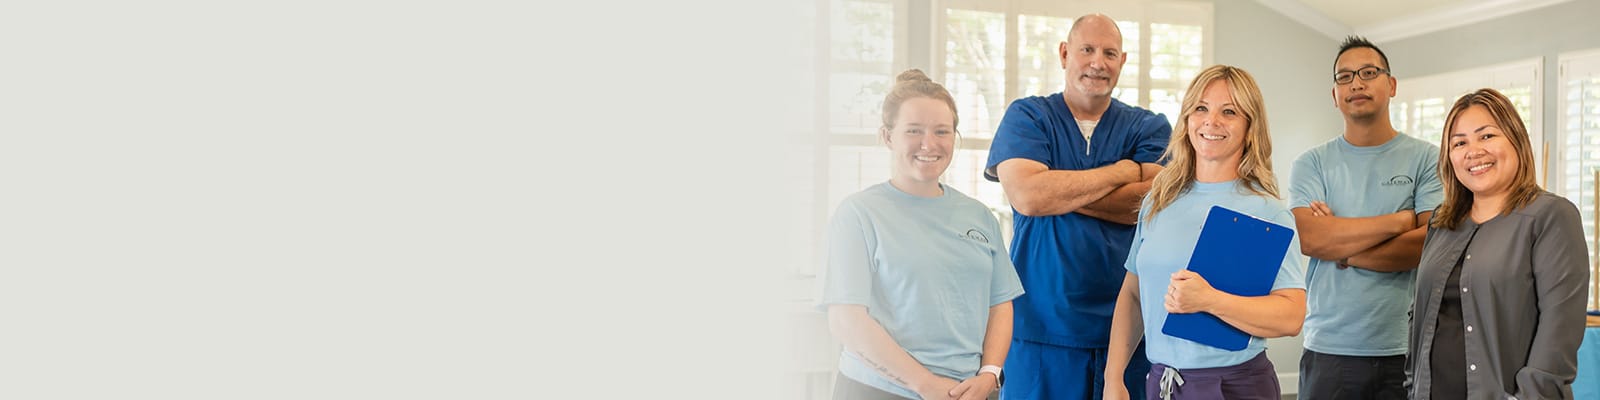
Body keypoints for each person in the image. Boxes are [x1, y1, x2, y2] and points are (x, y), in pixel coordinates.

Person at [983, 13, 1170, 400]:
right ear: (1065, 53)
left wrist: (1057, 189)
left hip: (1127, 330)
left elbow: (1149, 205)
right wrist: (1122, 171)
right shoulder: (1028, 116)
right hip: (1041, 327)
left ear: (1122, 61)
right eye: (1087, 50)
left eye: (1110, 53)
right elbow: (1029, 197)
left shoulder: (1149, 126)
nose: (1098, 63)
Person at [1101, 65, 1306, 400]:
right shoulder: (1159, 200)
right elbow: (1133, 294)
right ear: (1186, 120)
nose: (1212, 121)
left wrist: (1210, 300)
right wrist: (1113, 378)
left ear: (1249, 128)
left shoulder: (1267, 211)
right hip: (1162, 383)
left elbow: (1291, 316)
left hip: (1234, 386)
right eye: (1201, 108)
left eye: (1229, 112)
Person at [821, 69, 1026, 400]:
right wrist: (925, 384)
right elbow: (846, 320)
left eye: (941, 131)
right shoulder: (858, 214)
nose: (929, 144)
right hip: (880, 390)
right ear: (888, 137)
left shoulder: (979, 216)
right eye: (913, 131)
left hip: (968, 392)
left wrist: (990, 373)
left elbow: (1000, 302)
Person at [1405, 88, 1588, 400]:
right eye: (1459, 143)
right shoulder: (1441, 222)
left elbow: (1559, 331)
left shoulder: (1552, 216)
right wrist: (1412, 385)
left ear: (1516, 138)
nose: (1473, 151)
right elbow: (1418, 316)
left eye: (1486, 136)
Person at [1287, 36, 1443, 400]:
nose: (1356, 83)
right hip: (1329, 347)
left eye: (1368, 73)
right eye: (1345, 77)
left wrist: (1343, 249)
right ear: (1334, 94)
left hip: (1404, 345)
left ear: (1391, 85)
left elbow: (1429, 244)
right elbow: (1310, 238)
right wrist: (1399, 222)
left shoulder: (1427, 159)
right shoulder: (1311, 164)